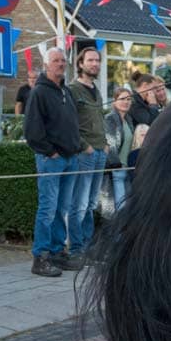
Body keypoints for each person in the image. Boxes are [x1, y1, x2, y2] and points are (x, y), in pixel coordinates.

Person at [24, 48, 83, 276]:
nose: (61, 64)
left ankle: (58, 253)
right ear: (46, 64)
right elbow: (32, 130)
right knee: (47, 209)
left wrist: (74, 149)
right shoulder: (39, 92)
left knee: (62, 209)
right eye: (56, 60)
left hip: (71, 158)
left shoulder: (65, 91)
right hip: (52, 160)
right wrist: (50, 152)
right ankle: (40, 257)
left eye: (63, 60)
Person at [68, 46, 107, 256]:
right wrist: (85, 146)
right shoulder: (73, 90)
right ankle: (76, 248)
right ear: (80, 64)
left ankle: (89, 246)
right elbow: (70, 123)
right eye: (90, 60)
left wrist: (105, 143)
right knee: (79, 203)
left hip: (101, 151)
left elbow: (99, 119)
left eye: (97, 60)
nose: (95, 64)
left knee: (92, 203)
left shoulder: (96, 89)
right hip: (85, 153)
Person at [104, 87, 135, 210]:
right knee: (120, 208)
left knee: (128, 208)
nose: (126, 102)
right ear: (114, 101)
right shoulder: (110, 119)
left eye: (128, 99)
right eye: (122, 99)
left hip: (129, 169)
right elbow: (110, 143)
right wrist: (116, 164)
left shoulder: (129, 120)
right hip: (117, 169)